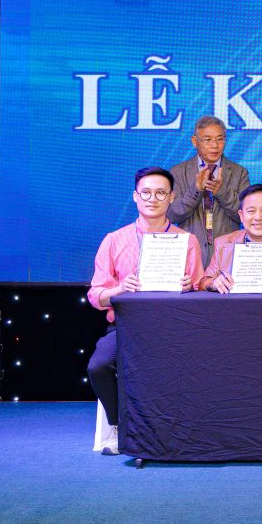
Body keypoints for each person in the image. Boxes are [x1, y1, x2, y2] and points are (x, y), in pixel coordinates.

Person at [87, 167, 202, 456]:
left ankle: (184, 432)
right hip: (126, 328)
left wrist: (189, 287)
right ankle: (118, 426)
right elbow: (96, 295)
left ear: (172, 197)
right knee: (98, 366)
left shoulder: (186, 241)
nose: (153, 198)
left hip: (173, 328)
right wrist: (119, 289)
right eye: (146, 192)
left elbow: (200, 288)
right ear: (135, 196)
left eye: (161, 193)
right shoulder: (114, 240)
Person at [167, 115, 251, 268]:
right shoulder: (178, 172)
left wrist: (222, 192)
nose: (215, 145)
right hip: (189, 255)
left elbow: (246, 217)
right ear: (195, 141)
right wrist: (196, 190)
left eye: (220, 139)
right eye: (208, 140)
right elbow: (172, 214)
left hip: (227, 256)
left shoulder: (239, 173)